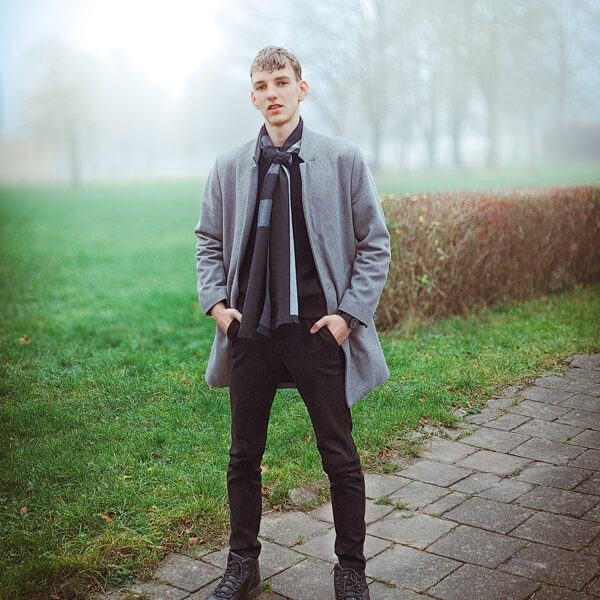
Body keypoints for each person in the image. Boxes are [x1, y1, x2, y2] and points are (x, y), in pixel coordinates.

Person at [195, 46, 390, 600]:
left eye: (281, 82)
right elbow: (208, 241)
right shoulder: (229, 166)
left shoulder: (342, 159)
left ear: (301, 89)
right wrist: (218, 307)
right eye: (261, 85)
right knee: (242, 456)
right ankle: (243, 565)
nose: (272, 93)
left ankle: (350, 570)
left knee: (339, 456)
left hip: (317, 330)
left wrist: (347, 317)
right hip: (249, 332)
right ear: (252, 96)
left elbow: (375, 243)